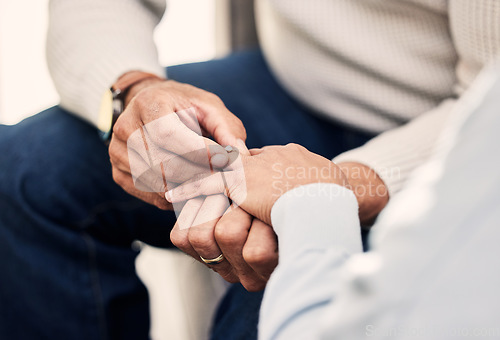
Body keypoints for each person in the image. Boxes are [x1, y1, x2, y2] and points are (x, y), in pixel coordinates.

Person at [0, 0, 498, 339]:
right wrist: (133, 89)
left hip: (469, 138)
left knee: (261, 310)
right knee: (26, 174)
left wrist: (331, 190)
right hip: (296, 84)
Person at [168, 65, 500, 340]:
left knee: (252, 310)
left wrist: (313, 197)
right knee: (126, 165)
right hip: (296, 80)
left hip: (441, 126)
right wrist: (134, 81)